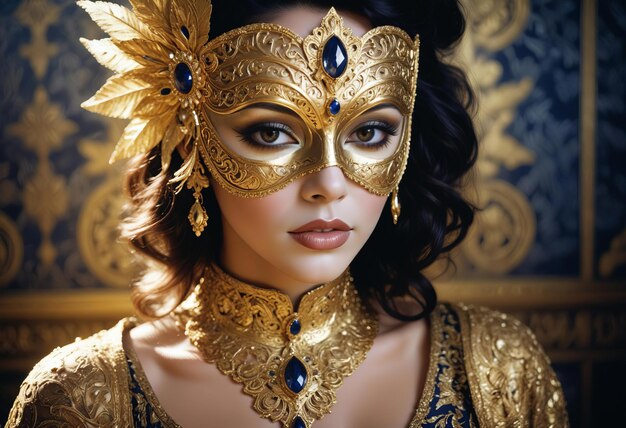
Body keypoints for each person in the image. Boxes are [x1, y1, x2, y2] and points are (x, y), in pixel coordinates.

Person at [6, 0, 568, 427]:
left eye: (370, 132)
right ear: (189, 136)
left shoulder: (499, 372)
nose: (328, 184)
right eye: (271, 132)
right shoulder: (79, 400)